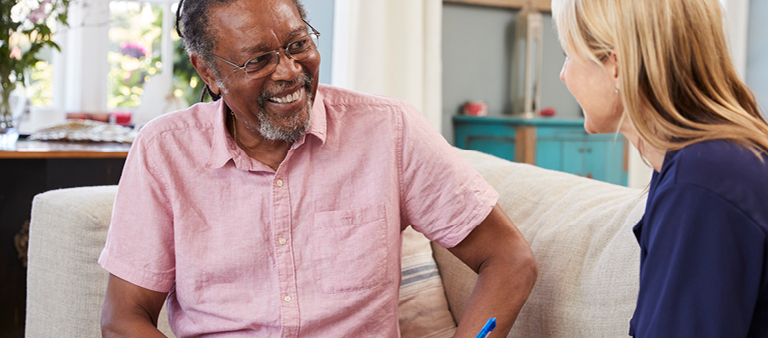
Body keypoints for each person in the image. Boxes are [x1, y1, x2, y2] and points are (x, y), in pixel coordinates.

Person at [98, 0, 538, 337]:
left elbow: (509, 259)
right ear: (209, 72)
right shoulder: (164, 151)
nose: (290, 72)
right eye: (258, 60)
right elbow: (124, 317)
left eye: (298, 45)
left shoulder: (390, 130)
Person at [552, 0, 768, 336]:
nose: (563, 74)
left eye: (569, 53)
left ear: (617, 66)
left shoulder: (701, 183)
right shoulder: (700, 165)